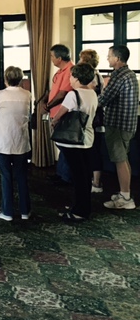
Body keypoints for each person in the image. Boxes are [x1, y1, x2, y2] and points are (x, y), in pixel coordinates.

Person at [51, 63, 98, 221]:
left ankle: (79, 211)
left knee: (78, 176)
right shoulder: (92, 93)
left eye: (71, 76)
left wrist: (53, 122)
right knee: (84, 175)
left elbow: (59, 115)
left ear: (77, 77)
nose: (70, 79)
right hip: (88, 138)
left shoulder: (73, 95)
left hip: (73, 140)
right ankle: (83, 207)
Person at [0, 66, 32, 221]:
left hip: (3, 140)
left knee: (6, 175)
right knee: (21, 175)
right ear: (20, 79)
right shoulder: (27, 94)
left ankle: (7, 212)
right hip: (20, 139)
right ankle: (25, 210)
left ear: (6, 79)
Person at [99, 45, 139, 210]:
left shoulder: (119, 75)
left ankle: (125, 197)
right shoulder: (130, 74)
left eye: (109, 56)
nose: (107, 59)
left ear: (117, 58)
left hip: (117, 124)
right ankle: (125, 193)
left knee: (119, 160)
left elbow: (104, 99)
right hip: (128, 124)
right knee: (124, 159)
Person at [41, 44, 74, 184]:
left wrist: (48, 106)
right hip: (56, 112)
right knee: (61, 145)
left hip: (62, 113)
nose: (51, 59)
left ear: (60, 58)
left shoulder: (70, 70)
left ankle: (66, 177)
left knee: (64, 146)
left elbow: (62, 94)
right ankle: (61, 174)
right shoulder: (61, 71)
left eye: (52, 56)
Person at [78, 49, 106, 193]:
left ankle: (96, 183)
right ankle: (94, 180)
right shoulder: (99, 75)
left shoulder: (91, 77)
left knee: (93, 150)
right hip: (97, 118)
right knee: (94, 149)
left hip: (93, 118)